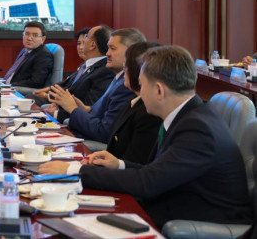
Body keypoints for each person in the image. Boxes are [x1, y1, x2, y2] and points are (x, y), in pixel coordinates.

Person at [65, 46, 253, 228]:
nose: (139, 93)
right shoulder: (187, 115)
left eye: (142, 85)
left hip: (196, 225)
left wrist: (74, 169)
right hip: (171, 208)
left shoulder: (198, 130)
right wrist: (119, 165)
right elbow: (159, 172)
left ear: (159, 90)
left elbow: (147, 183)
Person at [39, 41, 161, 176]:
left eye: (127, 64)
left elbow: (106, 134)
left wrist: (73, 109)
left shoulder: (147, 109)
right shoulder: (133, 100)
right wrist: (85, 109)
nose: (124, 68)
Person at [48, 28, 145, 144]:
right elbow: (102, 114)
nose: (107, 53)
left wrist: (73, 109)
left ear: (131, 52)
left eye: (113, 48)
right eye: (108, 48)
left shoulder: (126, 86)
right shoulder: (118, 78)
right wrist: (85, 109)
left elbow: (104, 132)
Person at [35, 25, 115, 120]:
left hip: (73, 119)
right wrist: (56, 102)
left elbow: (89, 108)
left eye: (86, 36)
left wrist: (56, 112)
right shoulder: (88, 65)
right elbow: (70, 87)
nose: (83, 40)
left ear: (92, 45)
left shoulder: (105, 71)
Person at [1, 21, 54, 88]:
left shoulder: (44, 55)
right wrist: (0, 83)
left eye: (35, 35)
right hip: (6, 85)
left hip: (17, 90)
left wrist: (9, 86)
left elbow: (36, 82)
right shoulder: (25, 50)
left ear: (42, 39)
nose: (29, 38)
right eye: (27, 34)